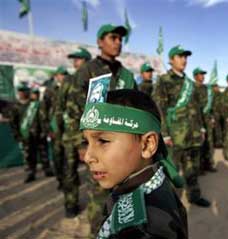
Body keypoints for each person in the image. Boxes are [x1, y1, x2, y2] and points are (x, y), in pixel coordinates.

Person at [81, 89, 188, 238]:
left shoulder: (142, 230)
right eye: (86, 142)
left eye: (103, 141)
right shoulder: (150, 182)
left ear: (147, 145)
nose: (87, 157)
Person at [67, 23, 137, 233]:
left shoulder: (126, 75)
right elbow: (73, 110)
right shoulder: (87, 71)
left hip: (124, 147)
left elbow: (136, 109)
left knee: (125, 200)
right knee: (99, 202)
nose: (117, 42)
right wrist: (81, 144)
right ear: (100, 42)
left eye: (120, 39)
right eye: (113, 38)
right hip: (98, 147)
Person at [152, 45, 211, 207]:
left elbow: (196, 108)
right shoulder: (164, 81)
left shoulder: (190, 83)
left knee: (192, 167)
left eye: (186, 57)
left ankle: (194, 195)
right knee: (172, 170)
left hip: (192, 133)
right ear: (171, 60)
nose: (184, 60)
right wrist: (164, 134)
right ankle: (167, 202)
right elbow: (159, 108)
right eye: (180, 56)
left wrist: (202, 128)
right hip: (175, 135)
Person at [57, 47, 92, 217]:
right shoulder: (68, 80)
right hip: (71, 136)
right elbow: (59, 107)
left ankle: (97, 207)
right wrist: (59, 132)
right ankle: (71, 204)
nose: (75, 62)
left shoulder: (94, 80)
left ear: (86, 60)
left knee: (94, 172)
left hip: (91, 136)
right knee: (69, 172)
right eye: (74, 59)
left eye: (78, 59)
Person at [193, 67, 217, 174]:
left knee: (209, 142)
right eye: (200, 74)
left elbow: (211, 105)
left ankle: (209, 164)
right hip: (197, 120)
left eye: (203, 74)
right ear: (195, 76)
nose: (203, 76)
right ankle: (199, 167)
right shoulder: (192, 89)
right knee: (199, 143)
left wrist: (212, 117)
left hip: (207, 119)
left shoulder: (207, 89)